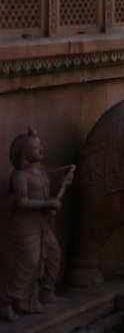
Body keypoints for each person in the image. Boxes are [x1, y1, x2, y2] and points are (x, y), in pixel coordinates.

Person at [2, 129, 74, 321]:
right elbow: (22, 202)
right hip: (25, 227)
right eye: (36, 147)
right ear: (25, 153)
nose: (41, 149)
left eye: (40, 145)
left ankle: (45, 291)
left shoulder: (41, 173)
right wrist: (47, 204)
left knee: (53, 255)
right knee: (30, 262)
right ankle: (7, 301)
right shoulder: (20, 176)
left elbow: (44, 196)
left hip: (42, 223)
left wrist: (61, 185)